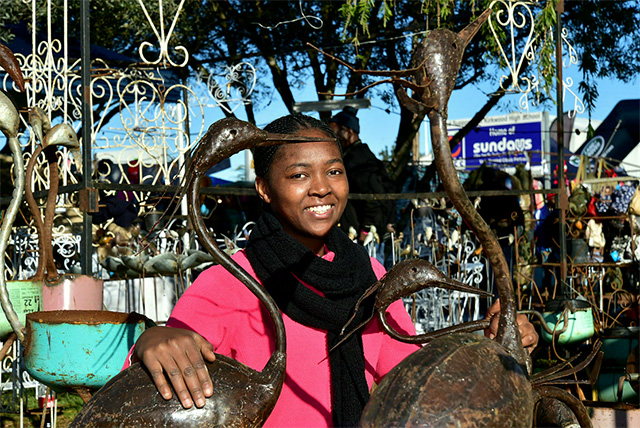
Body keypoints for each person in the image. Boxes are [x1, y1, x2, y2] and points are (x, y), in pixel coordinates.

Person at [128, 113, 539, 428]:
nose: (322, 186)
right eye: (298, 175)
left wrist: (489, 343)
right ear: (264, 188)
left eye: (334, 170)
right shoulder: (230, 281)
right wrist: (153, 340)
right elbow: (158, 374)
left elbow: (412, 376)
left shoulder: (369, 274)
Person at [329, 107, 396, 266]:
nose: (333, 138)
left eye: (335, 133)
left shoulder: (359, 160)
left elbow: (374, 196)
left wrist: (366, 229)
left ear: (349, 132)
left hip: (363, 236)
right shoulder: (356, 157)